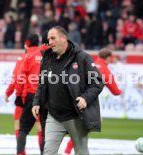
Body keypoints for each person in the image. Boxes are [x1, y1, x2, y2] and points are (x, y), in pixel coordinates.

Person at [32, 26, 104, 155]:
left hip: (75, 115)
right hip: (53, 115)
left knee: (81, 151)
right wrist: (36, 101)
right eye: (49, 39)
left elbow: (97, 82)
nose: (50, 42)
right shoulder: (47, 58)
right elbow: (42, 83)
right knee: (48, 151)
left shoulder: (82, 57)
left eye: (53, 38)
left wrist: (85, 98)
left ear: (64, 38)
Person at [64, 48, 123, 155]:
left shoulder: (91, 64)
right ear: (108, 58)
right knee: (88, 125)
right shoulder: (105, 70)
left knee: (81, 125)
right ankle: (69, 150)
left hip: (75, 97)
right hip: (87, 100)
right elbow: (115, 91)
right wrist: (120, 91)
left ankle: (69, 149)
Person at [15, 34, 44, 155]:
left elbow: (20, 77)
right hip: (45, 97)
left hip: (31, 96)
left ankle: (20, 153)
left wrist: (18, 95)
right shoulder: (46, 55)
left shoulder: (27, 56)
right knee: (44, 130)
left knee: (23, 130)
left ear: (27, 43)